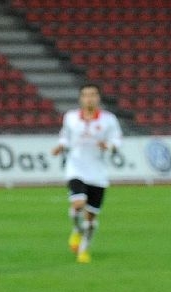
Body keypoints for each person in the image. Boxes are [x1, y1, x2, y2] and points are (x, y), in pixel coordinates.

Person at [51, 84, 123, 264]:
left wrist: (109, 146)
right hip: (76, 167)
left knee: (90, 217)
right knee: (78, 203)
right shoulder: (71, 117)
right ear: (81, 98)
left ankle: (83, 248)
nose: (89, 98)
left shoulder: (108, 119)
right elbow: (65, 136)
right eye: (86, 95)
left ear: (98, 98)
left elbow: (117, 140)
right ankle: (77, 229)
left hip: (97, 172)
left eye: (93, 95)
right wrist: (61, 146)